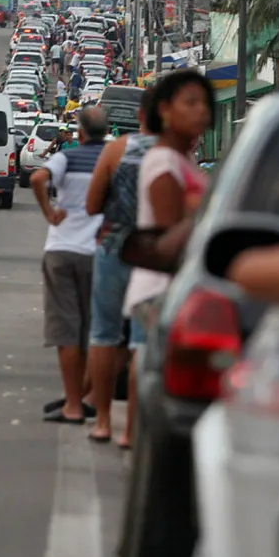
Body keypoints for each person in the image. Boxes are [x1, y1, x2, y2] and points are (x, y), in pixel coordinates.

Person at [121, 71, 214, 448]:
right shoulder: (163, 163)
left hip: (173, 288)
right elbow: (168, 234)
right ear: (164, 110)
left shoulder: (183, 159)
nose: (201, 112)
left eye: (204, 104)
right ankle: (135, 435)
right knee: (147, 364)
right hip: (160, 287)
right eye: (190, 103)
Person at [84, 90, 156, 443]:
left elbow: (92, 204)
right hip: (154, 257)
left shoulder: (117, 149)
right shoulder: (177, 155)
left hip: (114, 248)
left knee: (104, 335)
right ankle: (130, 429)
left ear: (140, 114)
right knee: (141, 342)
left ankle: (101, 421)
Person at [31, 107, 110, 424]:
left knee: (67, 331)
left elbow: (38, 176)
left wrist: (49, 212)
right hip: (99, 252)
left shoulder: (68, 157)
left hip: (62, 250)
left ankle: (73, 405)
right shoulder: (112, 159)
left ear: (79, 133)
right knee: (95, 332)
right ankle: (86, 396)